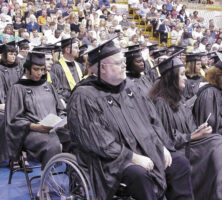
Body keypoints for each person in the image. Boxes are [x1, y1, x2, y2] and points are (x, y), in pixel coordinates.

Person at [67, 37, 194, 200]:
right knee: (140, 175)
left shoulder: (131, 87)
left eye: (123, 62)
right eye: (118, 63)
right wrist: (132, 157)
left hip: (146, 149)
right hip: (110, 160)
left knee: (179, 163)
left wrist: (161, 146)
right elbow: (97, 140)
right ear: (102, 68)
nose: (124, 65)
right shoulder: (84, 96)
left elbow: (153, 121)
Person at [149, 52, 222, 200]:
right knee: (216, 145)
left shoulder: (179, 100)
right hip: (177, 151)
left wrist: (198, 130)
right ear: (172, 78)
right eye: (181, 74)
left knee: (216, 141)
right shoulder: (161, 103)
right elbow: (165, 138)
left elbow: (187, 127)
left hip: (189, 143)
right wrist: (192, 135)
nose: (184, 78)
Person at [5, 52, 64, 186]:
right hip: (31, 132)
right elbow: (13, 120)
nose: (39, 73)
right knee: (52, 145)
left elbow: (60, 109)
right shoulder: (18, 88)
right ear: (27, 69)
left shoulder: (48, 86)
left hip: (54, 129)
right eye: (36, 69)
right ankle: (44, 187)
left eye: (42, 70)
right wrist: (35, 127)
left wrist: (63, 121)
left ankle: (76, 185)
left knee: (77, 138)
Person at [193, 52, 222, 134]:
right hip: (210, 138)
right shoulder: (209, 92)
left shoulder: (218, 90)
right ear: (218, 76)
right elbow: (210, 122)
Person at [52, 38, 84, 103]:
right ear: (67, 49)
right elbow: (56, 90)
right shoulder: (56, 68)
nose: (78, 50)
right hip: (67, 104)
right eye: (76, 48)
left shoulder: (80, 66)